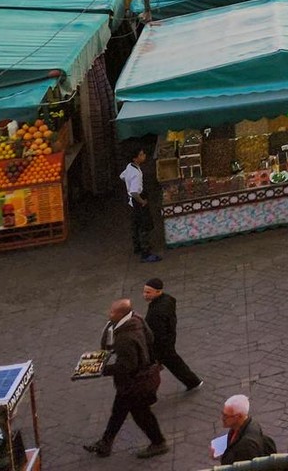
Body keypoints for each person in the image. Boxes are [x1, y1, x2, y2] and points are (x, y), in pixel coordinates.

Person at [83, 298, 168, 459]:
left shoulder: (124, 339)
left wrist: (99, 369)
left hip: (136, 384)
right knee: (119, 411)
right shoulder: (137, 319)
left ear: (121, 314)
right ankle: (105, 443)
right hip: (140, 379)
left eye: (112, 312)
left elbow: (126, 367)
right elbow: (150, 339)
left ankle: (158, 443)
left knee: (141, 415)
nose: (109, 314)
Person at [143, 278, 202, 391]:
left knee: (172, 363)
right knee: (174, 362)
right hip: (168, 340)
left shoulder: (156, 313)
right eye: (144, 291)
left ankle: (193, 381)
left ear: (158, 292)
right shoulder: (167, 300)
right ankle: (192, 382)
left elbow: (157, 333)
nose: (144, 295)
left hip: (162, 345)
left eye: (148, 292)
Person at [120, 147, 161, 263]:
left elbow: (122, 176)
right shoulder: (136, 174)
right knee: (144, 225)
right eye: (141, 154)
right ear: (135, 158)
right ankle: (146, 253)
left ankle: (137, 247)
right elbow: (134, 192)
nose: (144, 156)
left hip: (131, 202)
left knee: (135, 224)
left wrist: (128, 183)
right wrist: (142, 201)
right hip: (137, 200)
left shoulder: (129, 167)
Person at [218, 394, 276, 464]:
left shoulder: (247, 446)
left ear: (238, 416)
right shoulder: (244, 426)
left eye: (226, 416)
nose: (222, 418)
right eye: (223, 414)